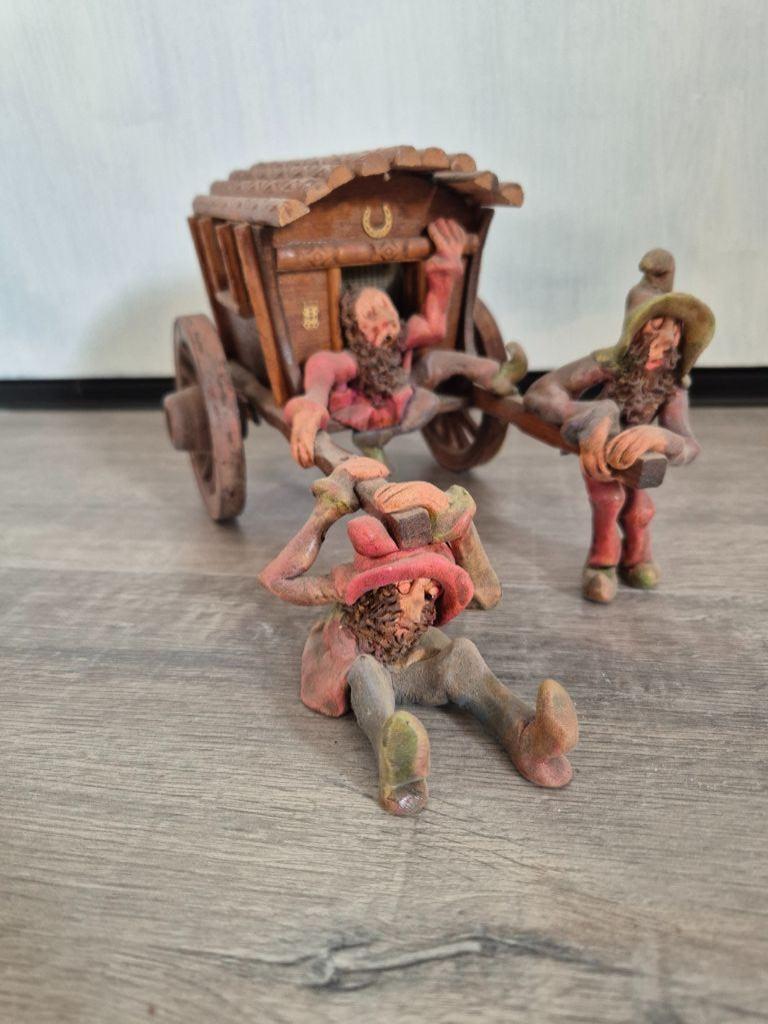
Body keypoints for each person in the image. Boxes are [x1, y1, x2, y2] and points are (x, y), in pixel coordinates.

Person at [259, 457, 578, 815]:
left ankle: (529, 737)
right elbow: (276, 580)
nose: (416, 603)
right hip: (359, 662)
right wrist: (327, 510)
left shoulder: (420, 629)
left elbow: (487, 595)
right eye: (404, 585)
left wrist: (460, 526)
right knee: (366, 671)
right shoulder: (347, 585)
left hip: (411, 663)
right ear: (373, 588)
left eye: (429, 593)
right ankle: (398, 765)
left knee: (462, 655)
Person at [524, 250, 715, 603]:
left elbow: (689, 445)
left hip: (636, 455)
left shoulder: (672, 385)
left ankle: (637, 558)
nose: (666, 340)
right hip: (599, 447)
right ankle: (601, 564)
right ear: (634, 330)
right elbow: (539, 395)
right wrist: (595, 414)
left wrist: (662, 437)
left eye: (674, 329)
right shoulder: (608, 364)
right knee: (609, 497)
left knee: (640, 509)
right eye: (655, 326)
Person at [284, 218, 523, 468]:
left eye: (385, 307)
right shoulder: (355, 358)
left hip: (403, 386)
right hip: (371, 405)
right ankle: (375, 436)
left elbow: (434, 327)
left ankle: (496, 376)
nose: (384, 319)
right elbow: (322, 365)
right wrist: (312, 403)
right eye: (371, 315)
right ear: (355, 329)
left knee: (435, 363)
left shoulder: (401, 337)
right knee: (428, 401)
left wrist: (447, 265)